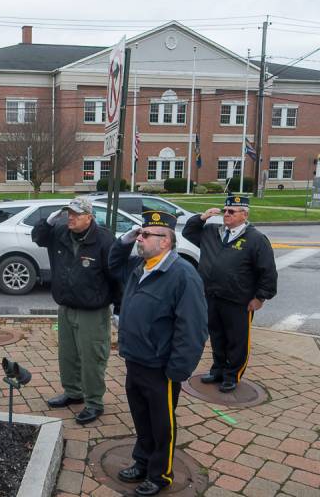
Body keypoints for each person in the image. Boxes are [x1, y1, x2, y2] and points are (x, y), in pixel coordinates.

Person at [109, 211, 208, 496]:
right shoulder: (142, 266)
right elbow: (113, 264)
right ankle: (141, 461)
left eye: (145, 235)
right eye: (140, 234)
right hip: (135, 359)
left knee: (162, 423)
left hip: (161, 367)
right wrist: (126, 238)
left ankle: (160, 474)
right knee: (141, 417)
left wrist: (177, 370)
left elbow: (193, 328)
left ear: (165, 241)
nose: (140, 238)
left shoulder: (182, 275)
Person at [31, 197, 120, 425]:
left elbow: (117, 275)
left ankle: (94, 403)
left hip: (93, 310)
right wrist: (48, 222)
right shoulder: (60, 232)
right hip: (66, 306)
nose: (70, 217)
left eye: (76, 214)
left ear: (89, 217)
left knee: (92, 358)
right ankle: (73, 392)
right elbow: (38, 238)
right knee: (68, 355)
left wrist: (119, 307)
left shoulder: (103, 239)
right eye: (68, 213)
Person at [182, 195, 277, 392]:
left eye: (231, 211)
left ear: (244, 214)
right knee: (217, 336)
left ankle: (232, 375)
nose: (226, 214)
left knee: (237, 339)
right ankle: (217, 369)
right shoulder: (212, 231)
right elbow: (189, 232)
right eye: (225, 210)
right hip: (212, 296)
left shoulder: (256, 239)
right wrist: (202, 217)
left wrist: (260, 297)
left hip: (238, 300)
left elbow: (267, 270)